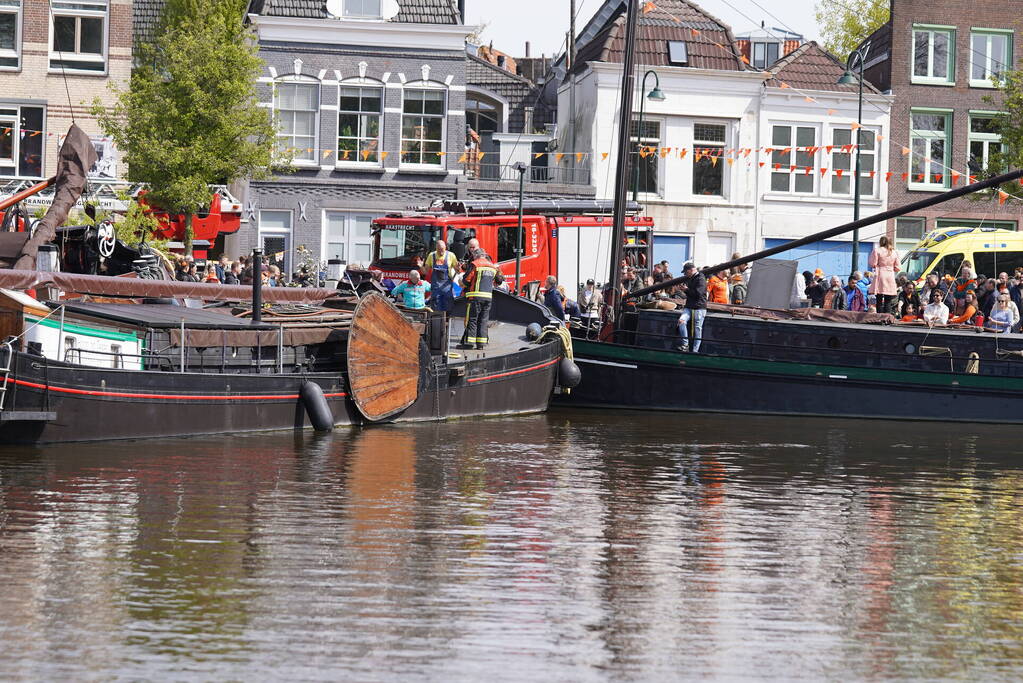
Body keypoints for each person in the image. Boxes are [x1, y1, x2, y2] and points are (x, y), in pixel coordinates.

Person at [460, 248, 498, 349]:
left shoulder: (475, 264)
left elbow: (467, 280)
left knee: (472, 319)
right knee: (483, 320)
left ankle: (469, 343)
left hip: (476, 297)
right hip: (488, 297)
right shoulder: (492, 266)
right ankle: (481, 344)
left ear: (476, 255)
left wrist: (463, 280)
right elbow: (497, 280)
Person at [676, 263, 707, 353]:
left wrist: (686, 290)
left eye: (686, 272)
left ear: (690, 270)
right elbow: (693, 294)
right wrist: (685, 290)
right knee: (681, 321)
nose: (685, 274)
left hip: (699, 308)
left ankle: (695, 350)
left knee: (698, 329)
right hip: (690, 306)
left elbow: (698, 294)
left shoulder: (701, 279)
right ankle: (685, 345)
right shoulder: (692, 278)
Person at [424, 239, 459, 313]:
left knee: (448, 306)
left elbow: (457, 271)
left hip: (447, 288)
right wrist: (421, 266)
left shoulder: (451, 255)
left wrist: (459, 267)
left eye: (442, 249)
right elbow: (425, 271)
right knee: (436, 308)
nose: (441, 252)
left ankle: (447, 322)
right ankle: (436, 323)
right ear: (436, 248)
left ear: (445, 247)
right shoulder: (431, 255)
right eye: (439, 250)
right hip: (436, 288)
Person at [867, 236, 900, 314]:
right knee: (888, 300)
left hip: (880, 274)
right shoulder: (894, 252)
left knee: (879, 299)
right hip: (890, 275)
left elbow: (872, 263)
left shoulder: (877, 250)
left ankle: (880, 318)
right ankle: (887, 318)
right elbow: (898, 267)